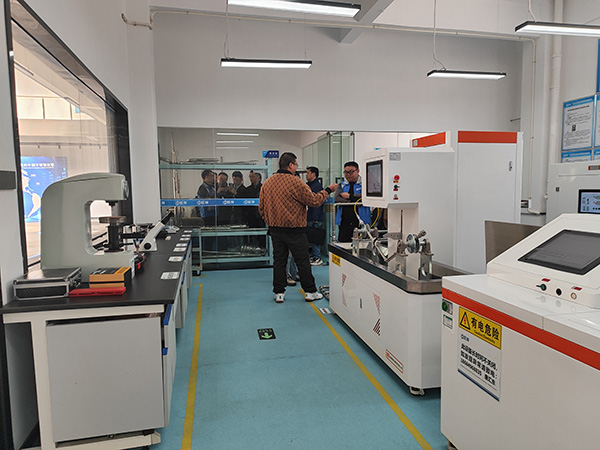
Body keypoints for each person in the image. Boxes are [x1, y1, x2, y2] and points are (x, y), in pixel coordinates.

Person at [259, 152, 338, 303]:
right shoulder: (296, 182)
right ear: (290, 165)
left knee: (279, 261)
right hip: (295, 230)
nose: (296, 167)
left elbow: (261, 208)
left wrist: (271, 221)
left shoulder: (268, 183)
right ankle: (310, 292)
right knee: (302, 261)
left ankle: (279, 293)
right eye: (296, 164)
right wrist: (328, 190)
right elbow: (314, 201)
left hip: (275, 230)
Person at [334, 161, 371, 243]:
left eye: (351, 172)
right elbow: (337, 198)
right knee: (343, 245)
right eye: (346, 172)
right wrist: (353, 200)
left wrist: (349, 196)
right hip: (344, 222)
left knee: (362, 245)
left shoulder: (365, 184)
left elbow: (365, 198)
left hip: (361, 222)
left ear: (358, 171)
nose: (348, 175)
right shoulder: (342, 185)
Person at [306, 166, 325, 266]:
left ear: (313, 174)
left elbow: (317, 203)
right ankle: (314, 256)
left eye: (308, 173)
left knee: (315, 238)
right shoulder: (309, 185)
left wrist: (315, 218)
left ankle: (317, 257)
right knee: (311, 237)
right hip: (310, 216)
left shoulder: (316, 186)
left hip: (314, 217)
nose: (306, 175)